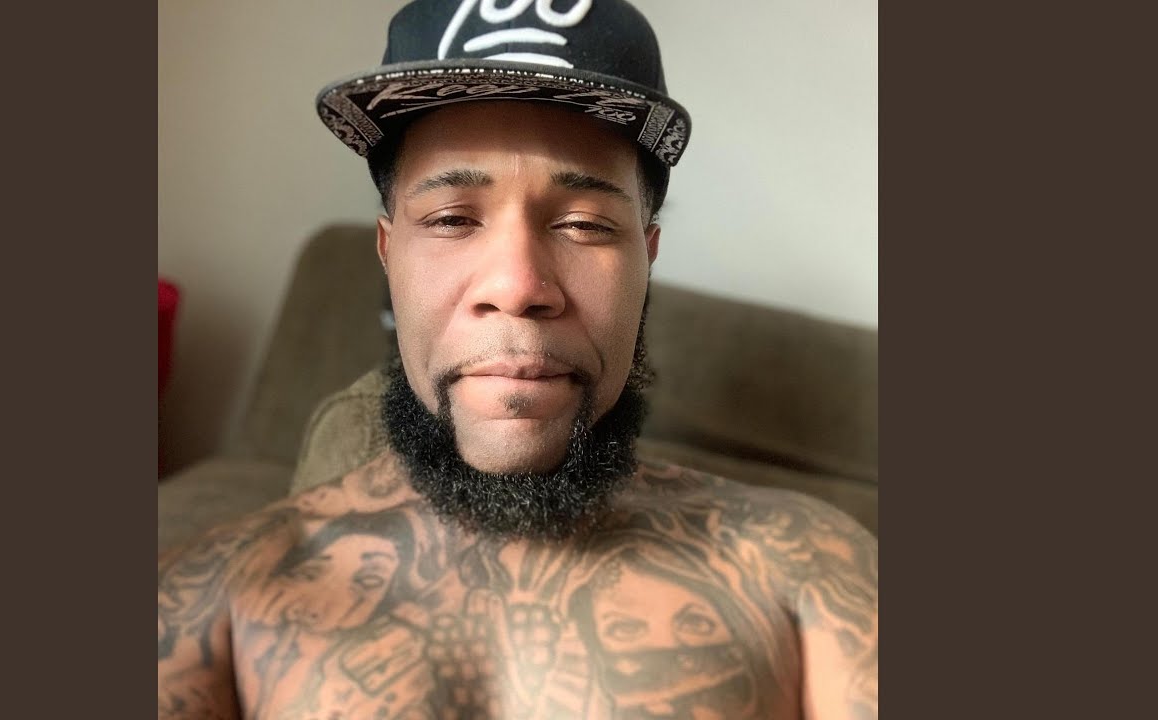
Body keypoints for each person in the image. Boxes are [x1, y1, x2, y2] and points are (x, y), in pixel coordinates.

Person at [158, 1, 877, 718]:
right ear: (388, 253)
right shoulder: (213, 601)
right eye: (452, 219)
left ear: (646, 259)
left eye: (584, 225)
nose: (517, 285)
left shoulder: (808, 572)